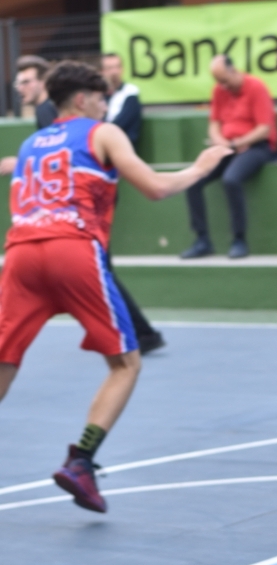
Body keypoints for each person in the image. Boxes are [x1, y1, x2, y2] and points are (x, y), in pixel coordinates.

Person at [0, 61, 228, 513]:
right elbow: (156, 188)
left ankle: (82, 463)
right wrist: (200, 168)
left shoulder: (29, 143)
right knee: (125, 363)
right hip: (72, 249)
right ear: (82, 99)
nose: (105, 106)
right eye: (102, 99)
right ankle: (81, 461)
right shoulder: (101, 132)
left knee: (5, 361)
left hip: (20, 253)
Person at [99, 52, 164, 356]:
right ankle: (138, 333)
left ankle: (141, 333)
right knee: (101, 269)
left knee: (102, 269)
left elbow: (116, 128)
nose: (112, 71)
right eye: (107, 67)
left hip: (107, 183)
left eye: (115, 66)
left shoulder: (128, 97)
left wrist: (199, 170)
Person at [182, 55, 277, 259]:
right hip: (228, 147)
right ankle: (202, 240)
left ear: (234, 70)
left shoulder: (256, 87)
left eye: (225, 81)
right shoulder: (219, 90)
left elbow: (264, 129)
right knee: (193, 180)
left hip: (256, 147)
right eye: (219, 82)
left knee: (231, 179)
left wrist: (238, 143)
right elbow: (214, 124)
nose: (223, 86)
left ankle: (239, 239)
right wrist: (221, 142)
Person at [102, 52, 142, 145]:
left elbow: (121, 124)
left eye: (117, 67)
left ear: (122, 69)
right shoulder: (99, 95)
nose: (114, 72)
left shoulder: (131, 92)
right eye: (109, 68)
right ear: (102, 71)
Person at [14, 55, 56, 129]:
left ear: (43, 82)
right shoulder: (46, 106)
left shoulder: (45, 109)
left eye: (26, 82)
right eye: (18, 83)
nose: (20, 88)